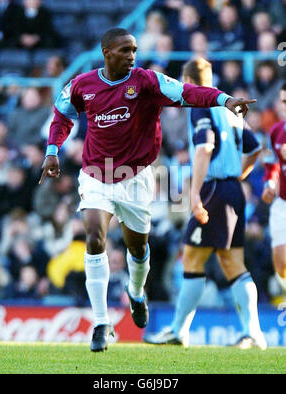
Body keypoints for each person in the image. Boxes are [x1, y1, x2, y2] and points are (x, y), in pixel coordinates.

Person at [38, 28, 256, 352]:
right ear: (106, 52)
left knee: (137, 250)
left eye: (135, 50)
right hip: (96, 174)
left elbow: (189, 93)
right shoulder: (83, 86)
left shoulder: (146, 81)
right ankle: (101, 324)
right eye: (125, 50)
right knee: (94, 237)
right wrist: (52, 151)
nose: (132, 56)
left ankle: (136, 291)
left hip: (136, 177)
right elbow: (61, 116)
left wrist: (225, 100)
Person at [144, 57, 267, 350]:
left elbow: (203, 148)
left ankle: (178, 330)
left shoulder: (201, 106)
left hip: (213, 189)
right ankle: (252, 333)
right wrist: (237, 174)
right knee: (231, 262)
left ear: (187, 80)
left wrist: (196, 192)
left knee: (195, 258)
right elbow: (254, 147)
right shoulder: (231, 109)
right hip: (232, 190)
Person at [262, 83, 286, 295]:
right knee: (280, 261)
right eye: (283, 102)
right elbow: (272, 164)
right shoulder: (276, 131)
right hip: (282, 202)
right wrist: (269, 183)